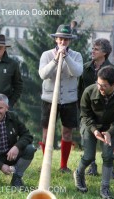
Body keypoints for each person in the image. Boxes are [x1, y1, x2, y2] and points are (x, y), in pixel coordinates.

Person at [73, 66, 114, 199]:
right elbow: (85, 115)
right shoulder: (89, 91)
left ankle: (105, 189)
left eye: (104, 86)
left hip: (110, 126)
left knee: (108, 156)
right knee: (89, 156)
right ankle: (78, 173)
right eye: (98, 84)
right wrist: (94, 130)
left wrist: (111, 131)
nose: (99, 88)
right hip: (90, 124)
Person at [38, 24, 83, 173]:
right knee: (46, 132)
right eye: (60, 39)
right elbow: (43, 74)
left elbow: (77, 72)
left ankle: (63, 165)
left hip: (69, 100)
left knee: (67, 132)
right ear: (56, 39)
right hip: (49, 99)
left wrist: (67, 57)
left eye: (66, 39)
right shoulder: (46, 55)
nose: (63, 42)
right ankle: (46, 163)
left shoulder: (76, 55)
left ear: (69, 41)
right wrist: (56, 60)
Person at [78, 38, 114, 179]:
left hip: (108, 114)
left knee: (108, 149)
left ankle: (109, 171)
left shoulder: (113, 71)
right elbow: (80, 90)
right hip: (89, 112)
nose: (92, 51)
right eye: (92, 48)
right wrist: (83, 112)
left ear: (105, 53)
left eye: (96, 49)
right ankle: (91, 167)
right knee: (88, 145)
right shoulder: (85, 68)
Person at [0, 94, 36, 188]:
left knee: (30, 149)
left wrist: (17, 147)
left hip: (10, 155)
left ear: (7, 108)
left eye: (0, 108)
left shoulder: (14, 117)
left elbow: (27, 135)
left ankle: (16, 178)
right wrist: (1, 166)